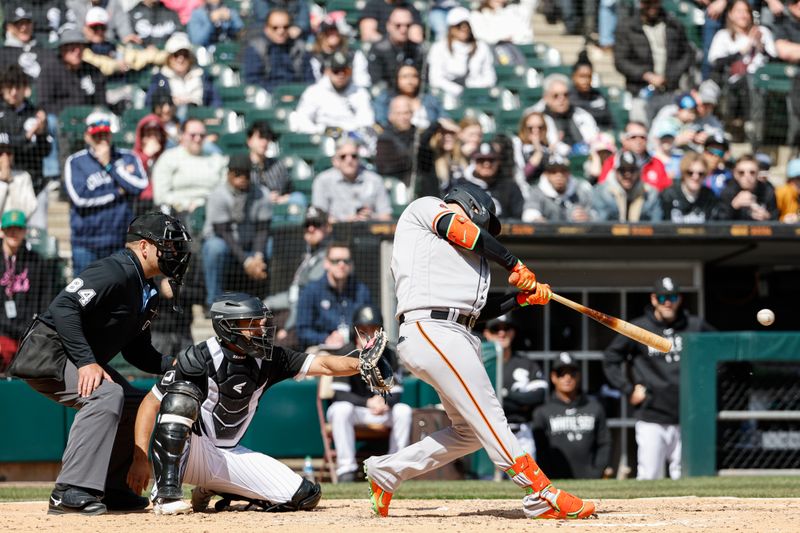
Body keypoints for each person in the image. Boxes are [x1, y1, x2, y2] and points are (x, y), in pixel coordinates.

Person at [363, 182, 595, 519]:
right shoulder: (427, 208)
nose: (486, 230)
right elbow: (461, 230)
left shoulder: (464, 259)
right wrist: (514, 264)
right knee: (490, 413)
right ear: (473, 206)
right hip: (433, 329)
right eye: (486, 222)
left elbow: (475, 312)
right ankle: (538, 492)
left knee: (469, 432)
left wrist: (520, 299)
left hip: (454, 332)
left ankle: (388, 472)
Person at [126, 292, 385, 513]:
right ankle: (167, 493)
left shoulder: (271, 358)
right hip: (191, 450)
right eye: (252, 324)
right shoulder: (199, 357)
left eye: (261, 323)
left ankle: (214, 487)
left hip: (228, 454)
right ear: (228, 326)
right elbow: (151, 403)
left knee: (305, 495)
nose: (261, 330)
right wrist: (140, 459)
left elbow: (325, 364)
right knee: (180, 399)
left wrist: (361, 363)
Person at [7, 212, 192, 515]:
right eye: (168, 246)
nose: (174, 254)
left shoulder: (147, 290)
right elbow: (65, 306)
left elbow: (137, 352)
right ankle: (69, 491)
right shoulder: (114, 270)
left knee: (134, 401)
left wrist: (175, 363)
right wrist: (86, 362)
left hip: (73, 356)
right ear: (144, 246)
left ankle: (111, 488)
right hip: (47, 352)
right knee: (106, 395)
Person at [603, 276, 715, 480]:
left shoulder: (695, 325)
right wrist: (628, 388)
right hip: (651, 415)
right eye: (663, 297)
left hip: (688, 415)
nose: (668, 302)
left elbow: (718, 351)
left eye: (672, 297)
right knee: (649, 475)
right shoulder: (639, 327)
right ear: (654, 299)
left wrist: (704, 384)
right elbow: (610, 358)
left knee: (687, 478)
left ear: (679, 299)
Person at [327, 305, 411, 482]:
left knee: (403, 410)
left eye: (373, 330)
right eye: (363, 330)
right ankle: (346, 469)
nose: (369, 335)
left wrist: (382, 402)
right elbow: (339, 395)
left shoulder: (388, 353)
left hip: (381, 410)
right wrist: (368, 403)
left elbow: (396, 393)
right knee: (341, 409)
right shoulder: (346, 352)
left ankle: (393, 467)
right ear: (355, 331)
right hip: (357, 411)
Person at [65, 112, 150, 275]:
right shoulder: (76, 161)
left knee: (117, 295)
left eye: (105, 135)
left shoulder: (127, 157)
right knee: (85, 296)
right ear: (87, 137)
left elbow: (140, 186)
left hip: (119, 241)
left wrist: (110, 165)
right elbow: (80, 198)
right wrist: (117, 192)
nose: (102, 140)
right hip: (86, 243)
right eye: (97, 136)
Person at [202, 154, 270, 309]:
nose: (242, 177)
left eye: (245, 173)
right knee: (215, 248)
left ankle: (267, 297)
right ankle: (213, 302)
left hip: (250, 244)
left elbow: (263, 229)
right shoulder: (219, 195)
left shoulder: (262, 193)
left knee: (271, 245)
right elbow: (224, 233)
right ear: (229, 173)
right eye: (237, 173)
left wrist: (257, 257)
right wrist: (246, 261)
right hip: (224, 243)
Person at [532, 352, 611, 479]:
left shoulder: (595, 407)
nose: (567, 378)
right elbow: (540, 450)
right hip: (555, 480)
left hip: (590, 479)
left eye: (572, 373)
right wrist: (549, 475)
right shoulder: (542, 412)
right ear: (553, 377)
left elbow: (604, 442)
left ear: (578, 376)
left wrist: (597, 471)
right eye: (561, 373)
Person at [613, 0, 694, 124]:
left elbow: (687, 54)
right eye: (648, 3)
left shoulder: (674, 24)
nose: (652, 7)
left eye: (655, 3)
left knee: (668, 133)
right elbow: (621, 61)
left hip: (669, 92)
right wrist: (646, 75)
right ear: (641, 3)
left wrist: (672, 75)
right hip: (640, 93)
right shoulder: (627, 27)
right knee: (641, 134)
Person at [708, 0, 774, 140]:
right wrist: (742, 51)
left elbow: (775, 61)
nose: (743, 15)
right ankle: (743, 125)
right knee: (745, 82)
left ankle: (752, 129)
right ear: (730, 14)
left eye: (746, 12)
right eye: (739, 11)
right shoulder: (723, 35)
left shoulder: (763, 32)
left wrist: (760, 46)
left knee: (753, 81)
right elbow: (716, 63)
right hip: (731, 83)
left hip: (762, 83)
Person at [483, 314, 547, 457]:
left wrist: (504, 394)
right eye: (495, 329)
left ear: (513, 332)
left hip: (520, 432)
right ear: (486, 334)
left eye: (506, 329)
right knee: (487, 478)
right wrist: (519, 401)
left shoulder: (526, 363)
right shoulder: (480, 364)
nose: (502, 333)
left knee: (526, 478)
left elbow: (539, 396)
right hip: (488, 433)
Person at [265, 206, 331, 345]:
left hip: (311, 319)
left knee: (278, 349)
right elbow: (293, 294)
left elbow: (305, 297)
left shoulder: (329, 256)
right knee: (258, 325)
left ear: (327, 227)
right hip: (295, 310)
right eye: (307, 225)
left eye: (316, 224)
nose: (311, 229)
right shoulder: (310, 255)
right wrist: (267, 303)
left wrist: (288, 327)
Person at [0, 210, 56, 372]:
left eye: (18, 228)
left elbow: (46, 299)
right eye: (9, 228)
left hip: (28, 331)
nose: (13, 232)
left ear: (25, 231)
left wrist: (36, 329)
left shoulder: (36, 261)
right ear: (2, 231)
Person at [295, 242, 373, 351]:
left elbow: (371, 324)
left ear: (351, 265)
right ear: (326, 263)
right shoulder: (311, 290)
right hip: (323, 349)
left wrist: (363, 337)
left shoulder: (361, 290)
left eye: (346, 261)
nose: (341, 265)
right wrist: (326, 338)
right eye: (336, 261)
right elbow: (302, 331)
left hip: (355, 347)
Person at [151, 117, 227, 219]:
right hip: (178, 216)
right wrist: (185, 204)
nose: (198, 139)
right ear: (182, 135)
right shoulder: (168, 158)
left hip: (212, 213)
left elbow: (225, 189)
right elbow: (160, 196)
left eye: (202, 135)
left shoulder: (217, 159)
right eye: (193, 135)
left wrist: (204, 205)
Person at [292, 51, 375, 135]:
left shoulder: (359, 93)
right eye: (336, 70)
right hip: (322, 139)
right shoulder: (315, 92)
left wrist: (352, 138)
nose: (341, 75)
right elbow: (301, 119)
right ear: (328, 71)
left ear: (351, 72)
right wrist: (319, 131)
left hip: (351, 140)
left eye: (345, 71)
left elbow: (366, 121)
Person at [311, 139, 392, 223]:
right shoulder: (323, 181)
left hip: (368, 232)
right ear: (335, 161)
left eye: (354, 156)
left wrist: (371, 217)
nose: (349, 160)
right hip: (336, 233)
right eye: (343, 156)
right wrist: (346, 220)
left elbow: (386, 217)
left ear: (359, 159)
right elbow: (319, 218)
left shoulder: (375, 180)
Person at [427, 7, 496, 101]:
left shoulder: (482, 47)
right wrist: (458, 90)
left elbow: (490, 77)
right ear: (451, 27)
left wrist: (471, 87)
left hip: (477, 95)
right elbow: (435, 79)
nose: (464, 28)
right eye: (459, 25)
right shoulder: (439, 47)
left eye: (467, 24)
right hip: (449, 95)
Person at [37, 25, 106, 117]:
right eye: (72, 47)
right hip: (61, 118)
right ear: (62, 50)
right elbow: (45, 103)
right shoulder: (50, 70)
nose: (77, 51)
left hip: (90, 117)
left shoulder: (93, 71)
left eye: (80, 46)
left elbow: (101, 102)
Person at [144, 32, 221, 111]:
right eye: (176, 55)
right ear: (169, 58)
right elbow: (150, 104)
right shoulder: (159, 78)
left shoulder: (202, 75)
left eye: (185, 54)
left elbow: (215, 101)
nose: (180, 59)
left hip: (199, 118)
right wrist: (170, 102)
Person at [242, 9, 314, 93]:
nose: (281, 31)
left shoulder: (299, 48)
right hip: (268, 96)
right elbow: (253, 81)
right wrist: (280, 94)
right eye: (275, 28)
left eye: (285, 27)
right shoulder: (256, 48)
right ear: (267, 29)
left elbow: (309, 79)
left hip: (297, 96)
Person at [526, 74, 599, 151]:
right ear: (546, 97)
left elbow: (594, 138)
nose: (562, 99)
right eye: (556, 95)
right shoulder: (535, 119)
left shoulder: (582, 114)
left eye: (565, 95)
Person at [457, 142, 524, 219]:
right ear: (474, 162)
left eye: (491, 160)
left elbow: (518, 218)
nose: (486, 164)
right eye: (481, 160)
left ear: (498, 162)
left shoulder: (510, 187)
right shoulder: (462, 187)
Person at [598, 121, 671, 192]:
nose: (638, 141)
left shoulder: (656, 163)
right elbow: (603, 190)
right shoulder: (612, 162)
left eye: (642, 137)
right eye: (633, 137)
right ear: (624, 140)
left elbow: (665, 190)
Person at [591, 150, 663, 222]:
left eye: (632, 170)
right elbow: (600, 225)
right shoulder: (601, 192)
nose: (628, 175)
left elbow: (656, 225)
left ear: (639, 171)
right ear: (615, 171)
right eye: (622, 170)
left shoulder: (650, 193)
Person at [522, 153, 593, 222]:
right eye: (553, 172)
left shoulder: (580, 191)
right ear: (546, 174)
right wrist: (537, 220)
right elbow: (529, 214)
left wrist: (587, 217)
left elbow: (595, 215)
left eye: (563, 171)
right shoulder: (536, 192)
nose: (559, 176)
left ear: (569, 173)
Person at [373, 64, 444, 130]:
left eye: (414, 76)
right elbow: (381, 121)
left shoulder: (429, 98)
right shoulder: (385, 99)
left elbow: (443, 117)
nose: (410, 81)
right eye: (405, 77)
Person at [366, 6, 423, 89]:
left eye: (408, 25)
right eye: (398, 25)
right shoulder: (378, 49)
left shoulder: (418, 49)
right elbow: (377, 81)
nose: (403, 30)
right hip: (387, 95)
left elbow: (424, 81)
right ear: (388, 26)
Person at [309, 15, 370, 89]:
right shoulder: (314, 57)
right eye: (328, 31)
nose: (333, 34)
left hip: (350, 93)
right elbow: (315, 84)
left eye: (336, 30)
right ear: (321, 35)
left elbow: (362, 81)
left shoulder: (353, 55)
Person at [512, 109, 570, 184]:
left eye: (540, 127)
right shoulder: (517, 144)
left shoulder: (549, 147)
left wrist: (555, 151)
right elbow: (523, 175)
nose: (535, 131)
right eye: (530, 128)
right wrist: (538, 153)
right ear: (524, 128)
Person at [659, 152, 720, 223]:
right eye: (690, 173)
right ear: (683, 173)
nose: (695, 177)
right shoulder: (669, 194)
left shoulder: (709, 197)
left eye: (701, 174)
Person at [716, 154, 779, 221]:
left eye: (752, 172)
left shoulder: (767, 191)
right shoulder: (727, 192)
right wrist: (733, 206)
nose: (747, 177)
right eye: (741, 173)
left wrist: (767, 217)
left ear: (758, 173)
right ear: (735, 174)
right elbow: (718, 223)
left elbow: (776, 218)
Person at [415, 118, 465, 198]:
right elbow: (423, 141)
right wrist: (439, 123)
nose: (448, 136)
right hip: (435, 206)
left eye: (451, 133)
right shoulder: (430, 159)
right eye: (443, 133)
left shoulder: (462, 158)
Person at [375, 95, 416, 185]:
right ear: (390, 116)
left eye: (406, 113)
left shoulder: (417, 133)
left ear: (412, 114)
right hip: (395, 187)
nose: (403, 117)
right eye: (398, 113)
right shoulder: (384, 138)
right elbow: (386, 168)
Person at [569, 51, 614, 131]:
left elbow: (610, 121)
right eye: (582, 76)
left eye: (589, 76)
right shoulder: (568, 98)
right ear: (573, 77)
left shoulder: (598, 96)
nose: (586, 81)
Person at [0, 133, 37, 219]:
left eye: (8, 152)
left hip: (18, 228)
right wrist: (3, 183)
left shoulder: (24, 177)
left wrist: (10, 183)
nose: (5, 157)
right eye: (0, 152)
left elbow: (29, 208)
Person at [469, 0, 536, 45]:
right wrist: (501, 38)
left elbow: (525, 35)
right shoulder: (476, 15)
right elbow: (480, 36)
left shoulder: (513, 12)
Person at [359, 0, 424, 44]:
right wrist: (391, 43)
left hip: (405, 52)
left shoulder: (410, 8)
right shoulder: (373, 5)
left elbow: (416, 37)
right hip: (379, 52)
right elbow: (368, 35)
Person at [776, 158, 800, 223]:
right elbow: (772, 217)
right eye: (798, 178)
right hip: (781, 231)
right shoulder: (782, 192)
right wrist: (784, 220)